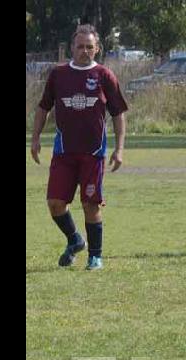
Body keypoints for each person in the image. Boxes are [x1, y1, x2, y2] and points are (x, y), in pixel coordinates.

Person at [30, 24, 128, 270]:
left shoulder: (104, 75)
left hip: (93, 153)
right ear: (71, 48)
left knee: (90, 205)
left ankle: (95, 257)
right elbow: (43, 107)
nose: (84, 51)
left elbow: (118, 113)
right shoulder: (58, 74)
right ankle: (74, 240)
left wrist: (119, 148)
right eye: (80, 46)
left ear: (97, 49)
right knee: (55, 203)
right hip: (63, 152)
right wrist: (35, 138)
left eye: (89, 47)